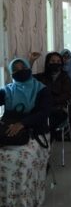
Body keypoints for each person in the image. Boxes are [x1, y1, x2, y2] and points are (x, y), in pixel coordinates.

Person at [0, 58, 51, 207]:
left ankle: (23, 202)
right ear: (11, 73)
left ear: (29, 68)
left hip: (35, 132)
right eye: (15, 69)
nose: (20, 71)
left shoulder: (41, 89)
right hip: (9, 132)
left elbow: (44, 113)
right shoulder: (8, 90)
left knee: (21, 162)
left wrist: (22, 123)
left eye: (23, 67)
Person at [33, 52, 71, 141]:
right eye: (53, 61)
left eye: (58, 61)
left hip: (59, 109)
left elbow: (66, 95)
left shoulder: (65, 77)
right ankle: (39, 143)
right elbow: (27, 79)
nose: (56, 63)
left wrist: (49, 101)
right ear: (48, 63)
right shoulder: (42, 76)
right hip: (43, 108)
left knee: (50, 121)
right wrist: (31, 61)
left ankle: (48, 143)